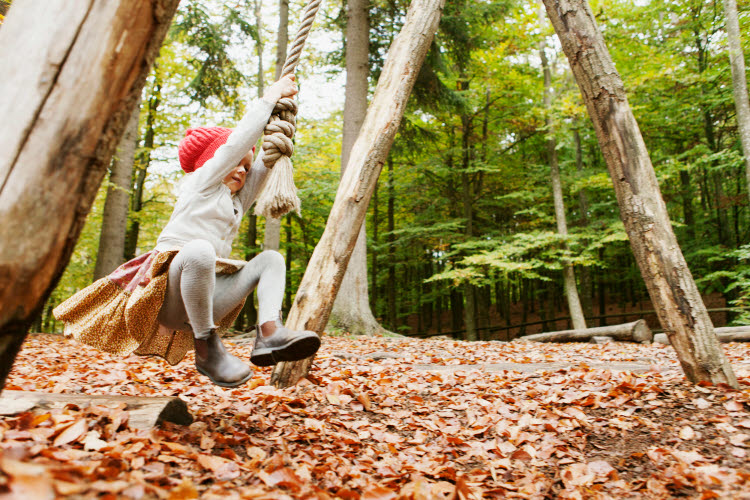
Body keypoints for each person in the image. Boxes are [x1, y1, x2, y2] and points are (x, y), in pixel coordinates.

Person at [54, 74, 320, 388]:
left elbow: (263, 166)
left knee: (271, 259)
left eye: (246, 167)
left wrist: (281, 126)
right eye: (236, 164)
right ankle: (207, 347)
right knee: (199, 249)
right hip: (170, 295)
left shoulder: (236, 201)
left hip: (208, 297)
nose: (242, 171)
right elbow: (234, 145)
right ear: (214, 163)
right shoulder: (201, 184)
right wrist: (270, 97)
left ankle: (270, 333)